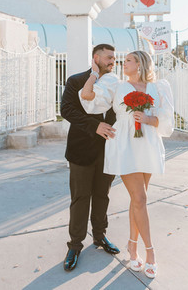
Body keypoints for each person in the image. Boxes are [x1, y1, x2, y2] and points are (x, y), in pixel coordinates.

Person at [80, 50, 174, 279]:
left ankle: (132, 246)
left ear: (140, 64)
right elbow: (88, 97)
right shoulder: (116, 85)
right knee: (140, 199)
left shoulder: (158, 87)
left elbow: (166, 119)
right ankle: (150, 252)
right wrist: (93, 75)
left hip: (148, 144)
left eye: (129, 60)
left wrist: (148, 119)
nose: (124, 63)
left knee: (137, 201)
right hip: (125, 146)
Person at [60, 43, 120, 272]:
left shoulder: (116, 83)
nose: (113, 61)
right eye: (108, 58)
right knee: (80, 198)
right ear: (96, 58)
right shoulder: (76, 80)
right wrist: (94, 126)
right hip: (80, 149)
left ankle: (99, 236)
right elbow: (67, 110)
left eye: (114, 58)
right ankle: (74, 245)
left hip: (108, 150)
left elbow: (118, 112)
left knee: (102, 196)